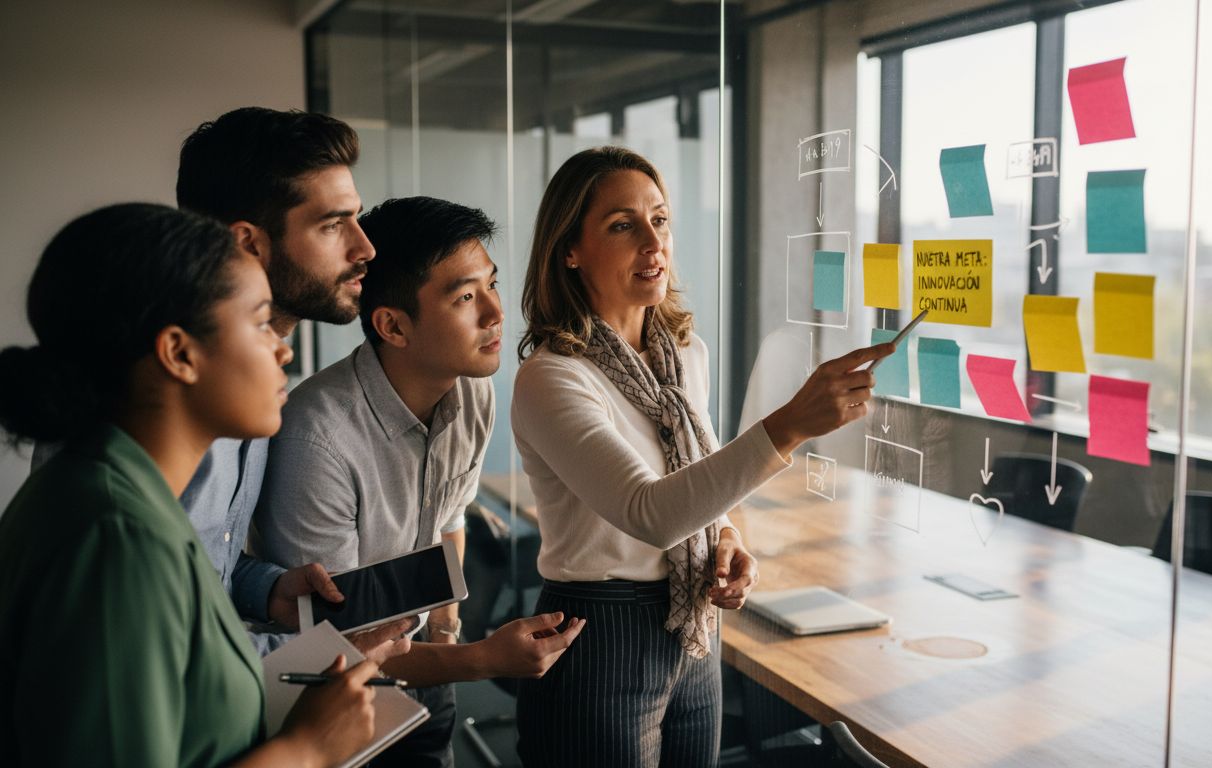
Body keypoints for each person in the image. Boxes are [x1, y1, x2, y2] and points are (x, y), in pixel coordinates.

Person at [511, 146, 895, 767]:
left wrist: (726, 540)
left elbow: (698, 489)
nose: (651, 241)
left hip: (692, 628)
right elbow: (652, 512)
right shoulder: (553, 376)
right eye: (621, 225)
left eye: (659, 220)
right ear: (570, 251)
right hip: (598, 634)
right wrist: (791, 425)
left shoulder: (687, 355)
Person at [0, 203, 383, 767]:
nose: (284, 350)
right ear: (179, 353)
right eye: (258, 323)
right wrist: (307, 750)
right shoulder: (117, 538)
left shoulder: (119, 493)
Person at [253, 196, 585, 768]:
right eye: (464, 297)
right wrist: (482, 659)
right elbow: (335, 643)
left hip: (430, 669)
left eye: (491, 285)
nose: (495, 313)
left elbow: (449, 521)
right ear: (393, 325)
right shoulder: (316, 438)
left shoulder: (472, 389)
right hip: (329, 698)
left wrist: (448, 636)